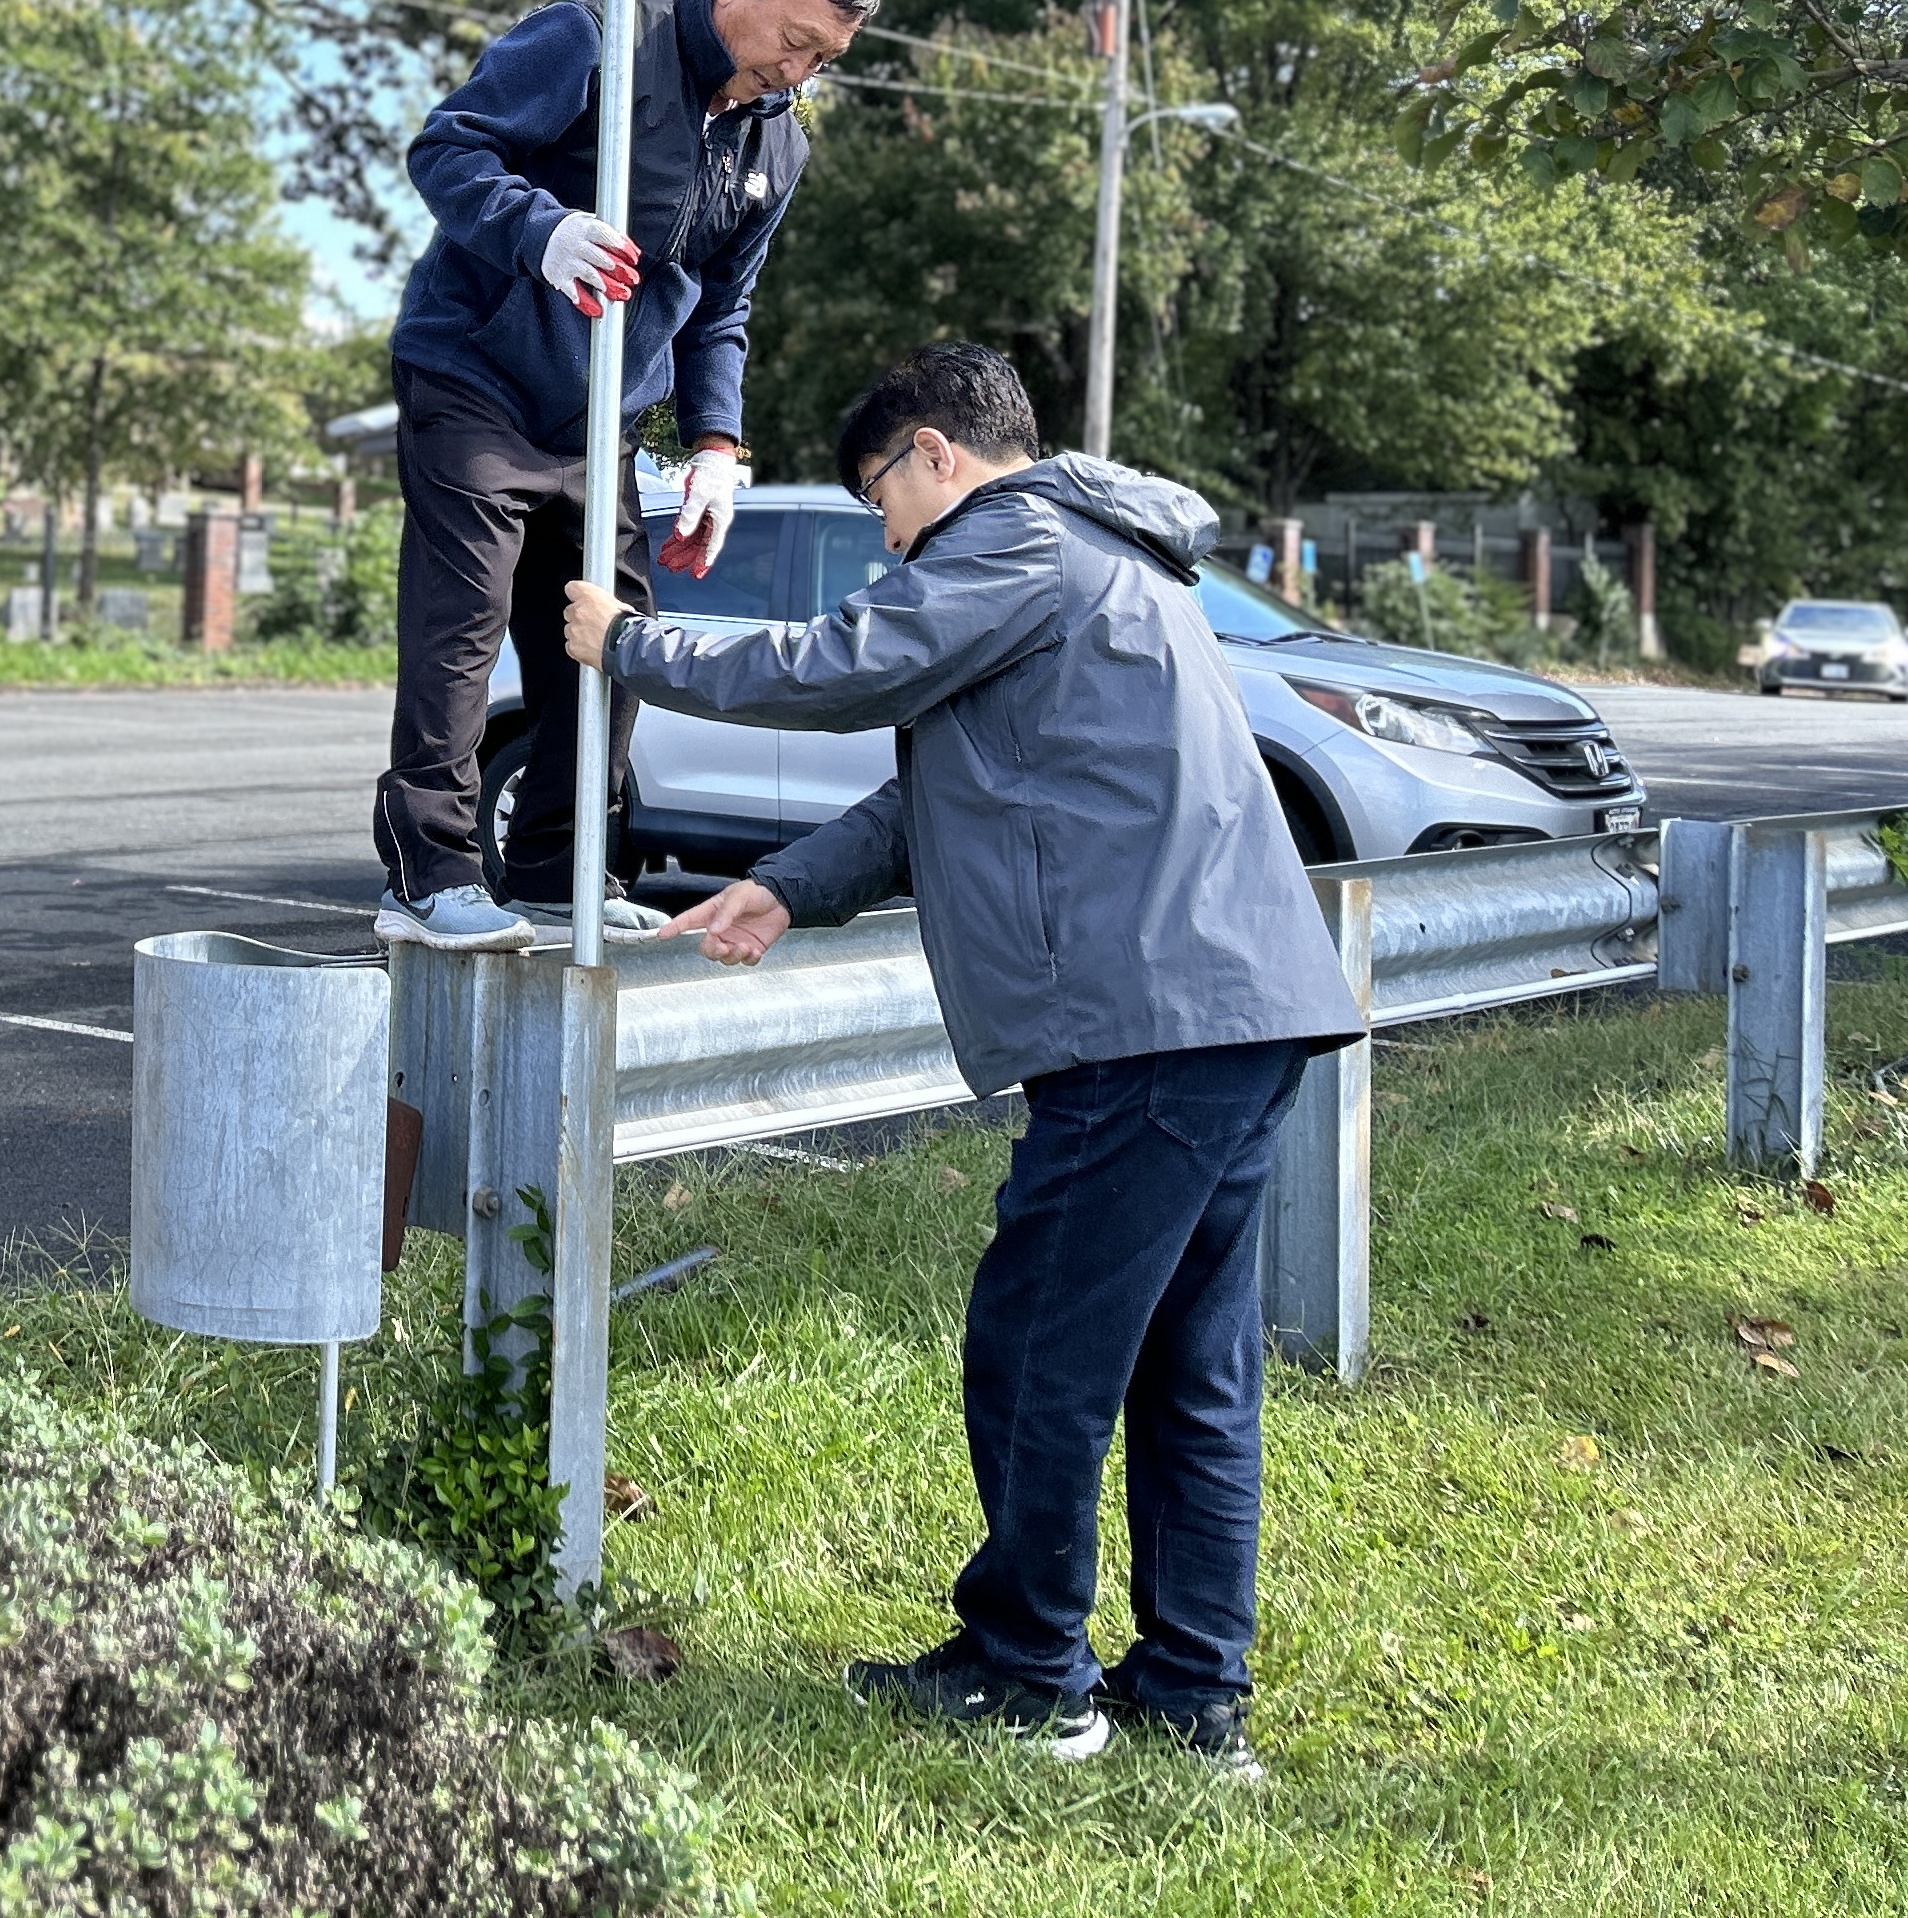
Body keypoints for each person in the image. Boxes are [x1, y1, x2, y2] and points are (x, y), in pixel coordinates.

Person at [559, 341, 1362, 1775]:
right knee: (1187, 1363)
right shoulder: (1099, 557)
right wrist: (789, 887)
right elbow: (949, 781)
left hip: (1146, 1020)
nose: (886, 539)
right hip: (1233, 1007)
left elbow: (841, 664)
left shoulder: (1016, 538)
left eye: (880, 499)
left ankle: (1030, 1673)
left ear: (936, 453)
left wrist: (631, 645)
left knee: (1038, 1343)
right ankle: (1193, 1695)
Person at [374, 0, 882, 954]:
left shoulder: (778, 143)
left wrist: (716, 448)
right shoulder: (595, 40)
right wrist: (541, 229)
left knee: (609, 637)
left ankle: (559, 874)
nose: (799, 73)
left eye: (823, 60)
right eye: (794, 40)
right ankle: (429, 876)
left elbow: (721, 308)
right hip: (474, 377)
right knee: (463, 627)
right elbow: (446, 148)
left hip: (598, 417)